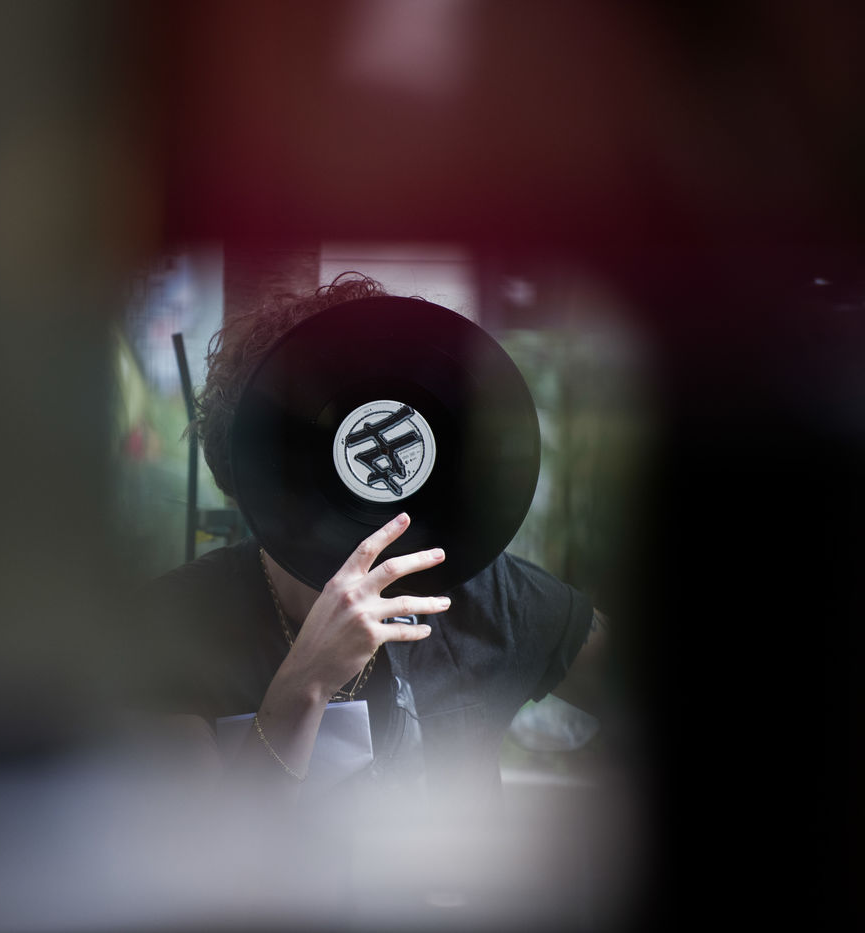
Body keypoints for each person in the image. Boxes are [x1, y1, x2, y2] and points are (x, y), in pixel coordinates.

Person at [141, 274, 608, 812]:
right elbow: (202, 850)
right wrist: (306, 684)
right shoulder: (172, 623)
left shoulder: (493, 597)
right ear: (249, 465)